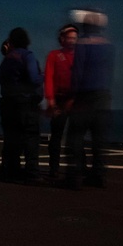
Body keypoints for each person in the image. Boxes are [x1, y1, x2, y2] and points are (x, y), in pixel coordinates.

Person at [65, 11, 115, 190]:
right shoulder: (108, 45)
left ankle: (75, 176)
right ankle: (99, 176)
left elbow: (78, 72)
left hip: (84, 97)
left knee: (75, 138)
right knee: (99, 141)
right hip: (103, 98)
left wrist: (72, 96)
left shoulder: (82, 44)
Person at [0, 27, 44, 183]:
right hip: (26, 103)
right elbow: (33, 78)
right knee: (31, 138)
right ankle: (32, 173)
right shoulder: (27, 56)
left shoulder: (7, 60)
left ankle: (11, 171)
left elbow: (2, 81)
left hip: (8, 104)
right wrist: (42, 76)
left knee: (11, 140)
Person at [44, 24, 78, 178]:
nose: (72, 41)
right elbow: (49, 78)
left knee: (77, 135)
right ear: (62, 39)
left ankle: (78, 169)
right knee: (56, 136)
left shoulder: (80, 56)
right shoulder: (54, 55)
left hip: (76, 101)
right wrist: (51, 101)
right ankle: (54, 169)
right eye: (69, 38)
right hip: (58, 100)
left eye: (74, 38)